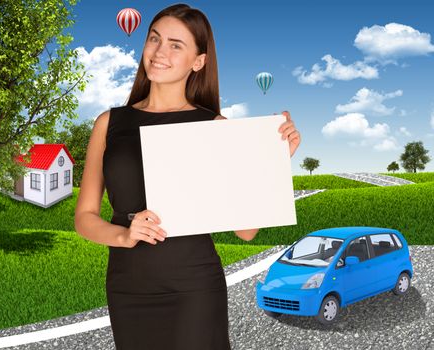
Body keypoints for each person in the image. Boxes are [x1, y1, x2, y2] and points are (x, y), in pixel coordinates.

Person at [74, 3, 301, 349]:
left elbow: (246, 230)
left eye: (176, 45)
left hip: (194, 288)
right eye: (154, 39)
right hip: (127, 287)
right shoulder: (109, 124)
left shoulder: (215, 128)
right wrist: (124, 235)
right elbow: (84, 217)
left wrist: (273, 161)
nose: (159, 52)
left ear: (199, 61)